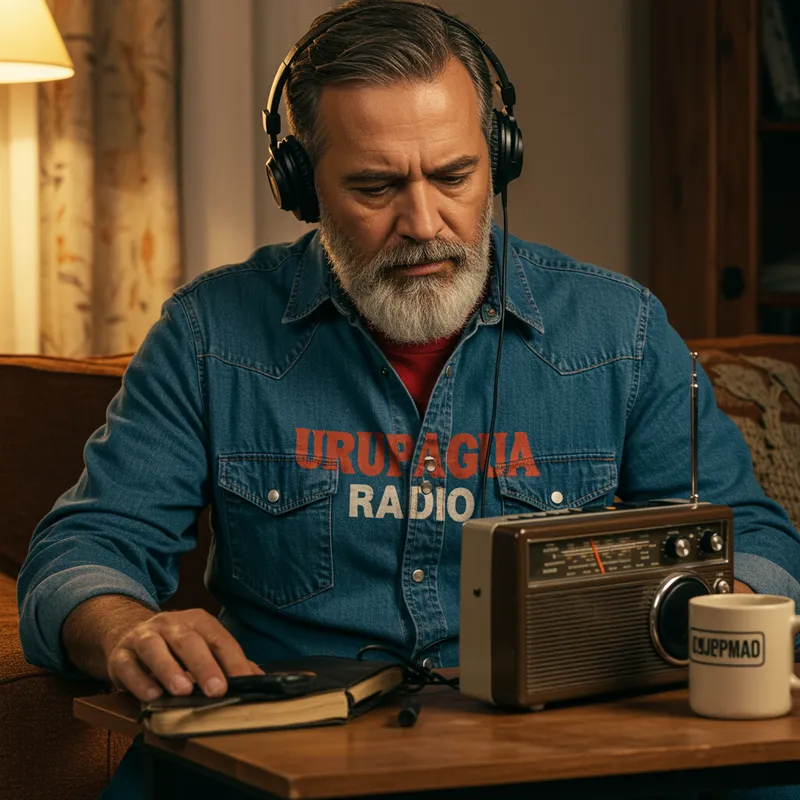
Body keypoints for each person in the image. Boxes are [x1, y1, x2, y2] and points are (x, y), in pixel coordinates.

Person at [17, 0, 800, 798]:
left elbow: (756, 538)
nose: (424, 222)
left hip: (562, 758)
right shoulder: (208, 335)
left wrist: (729, 602)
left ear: (501, 159)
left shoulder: (621, 331)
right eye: (375, 186)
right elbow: (82, 550)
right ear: (300, 184)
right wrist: (125, 627)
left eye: (454, 176)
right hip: (287, 761)